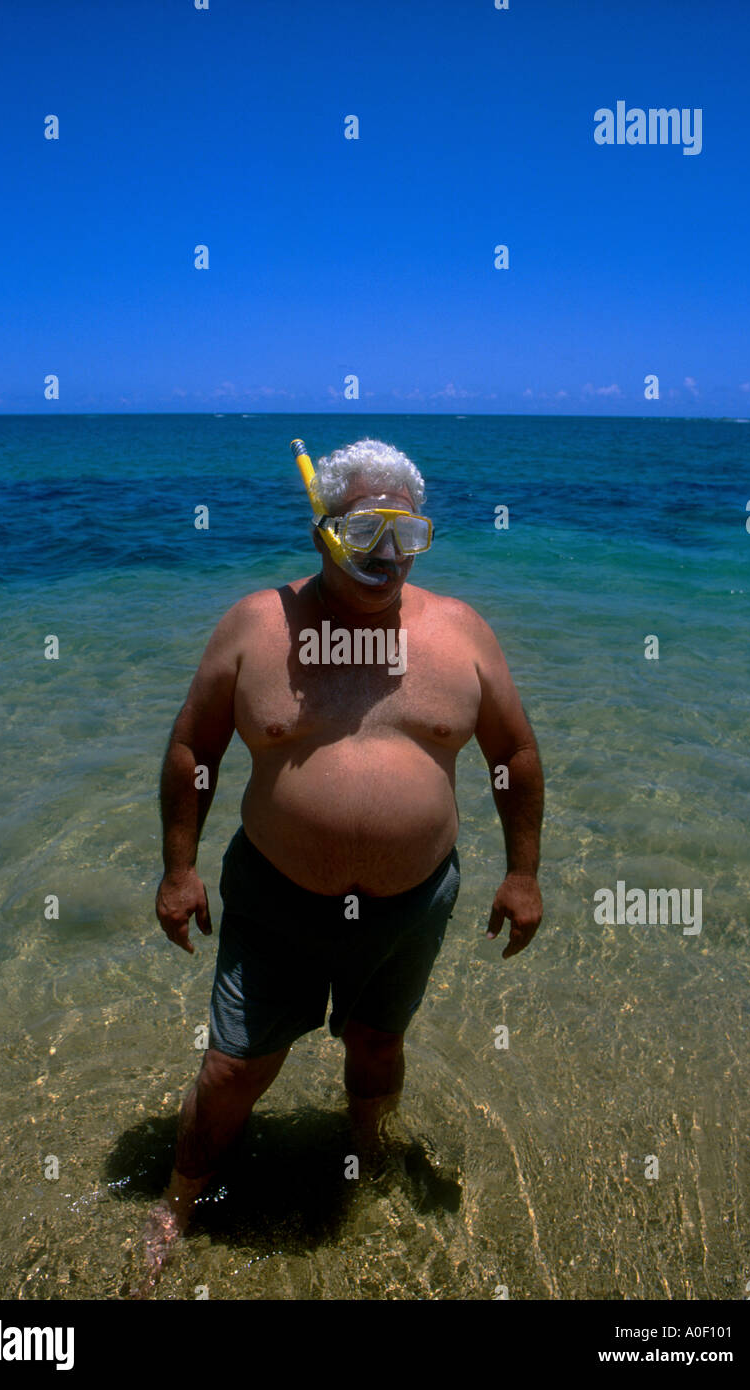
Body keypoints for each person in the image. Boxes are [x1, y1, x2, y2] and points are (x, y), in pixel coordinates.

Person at [141, 438, 543, 1285]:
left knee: (377, 1043)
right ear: (321, 529)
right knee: (235, 1063)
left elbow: (515, 755)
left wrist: (522, 873)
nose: (386, 557)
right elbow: (193, 751)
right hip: (277, 900)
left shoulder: (459, 632)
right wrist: (179, 869)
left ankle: (369, 1160)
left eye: (406, 534)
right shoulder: (257, 626)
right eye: (363, 532)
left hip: (412, 903)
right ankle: (180, 1198)